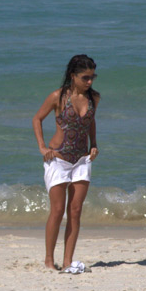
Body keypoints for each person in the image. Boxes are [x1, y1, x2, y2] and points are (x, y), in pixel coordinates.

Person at [32, 54, 100, 271]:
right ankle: (49, 261)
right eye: (85, 77)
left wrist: (94, 144)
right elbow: (37, 119)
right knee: (58, 210)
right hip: (58, 158)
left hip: (82, 159)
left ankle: (68, 261)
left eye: (92, 77)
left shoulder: (93, 98)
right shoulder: (58, 97)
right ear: (73, 76)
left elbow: (91, 121)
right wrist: (43, 147)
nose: (89, 82)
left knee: (76, 209)